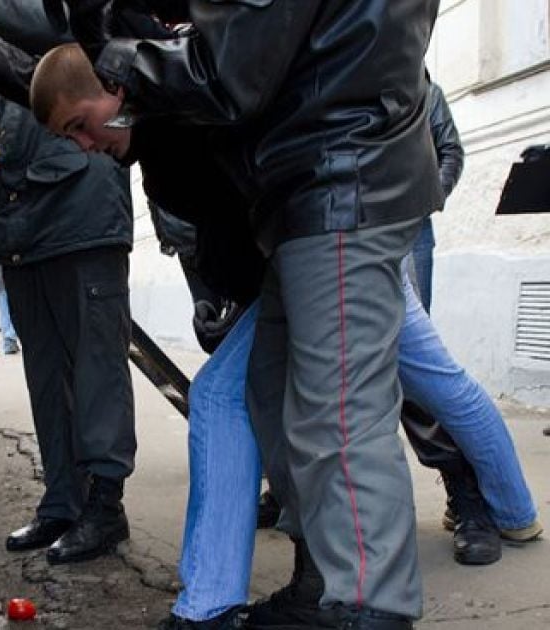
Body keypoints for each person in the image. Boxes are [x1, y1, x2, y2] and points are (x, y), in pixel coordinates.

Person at [31, 0, 444, 624]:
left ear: (112, 95)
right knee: (294, 406)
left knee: (341, 415)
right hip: (312, 194)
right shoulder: (164, 136)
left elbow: (232, 68)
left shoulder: (171, 116)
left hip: (338, 175)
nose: (87, 147)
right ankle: (326, 590)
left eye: (84, 126)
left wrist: (112, 51)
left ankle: (370, 604)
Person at [0, 9, 138, 565]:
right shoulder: (3, 31)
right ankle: (63, 502)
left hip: (82, 216)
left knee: (96, 374)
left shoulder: (67, 18)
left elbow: (24, 57)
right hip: (25, 223)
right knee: (47, 379)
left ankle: (105, 508)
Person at [412, 80, 465, 312]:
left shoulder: (429, 93)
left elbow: (451, 151)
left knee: (418, 315)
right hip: (366, 227)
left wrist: (430, 199)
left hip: (414, 228)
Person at [0, 264, 21, 354]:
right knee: (16, 312)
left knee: (5, 314)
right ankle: (10, 336)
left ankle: (8, 345)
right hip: (8, 283)